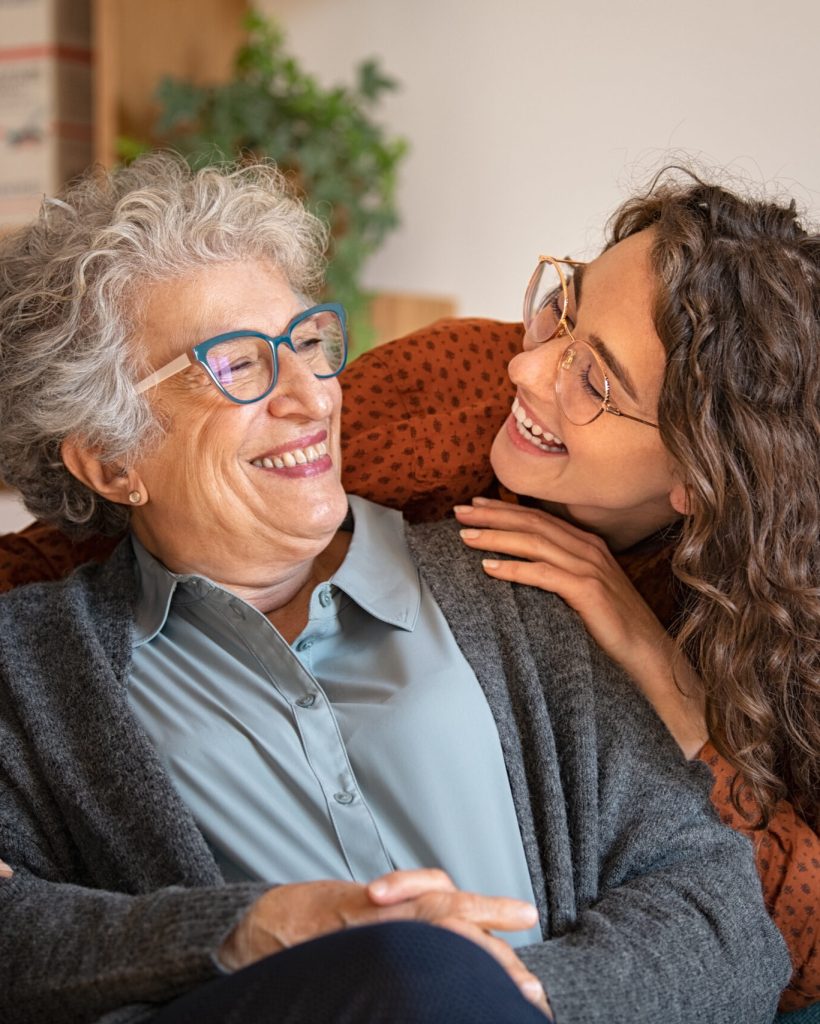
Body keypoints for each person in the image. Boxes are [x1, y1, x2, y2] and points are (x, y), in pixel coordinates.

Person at [0, 154, 789, 1024]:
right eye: (236, 363)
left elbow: (727, 919)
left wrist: (513, 997)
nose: (313, 395)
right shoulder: (34, 669)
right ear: (111, 458)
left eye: (307, 342)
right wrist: (247, 928)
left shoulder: (525, 587)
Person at [446, 172, 819, 1009]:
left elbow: (807, 941)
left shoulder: (784, 625)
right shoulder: (463, 385)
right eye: (562, 307)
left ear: (699, 476)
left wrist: (668, 682)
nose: (526, 364)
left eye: (596, 382)